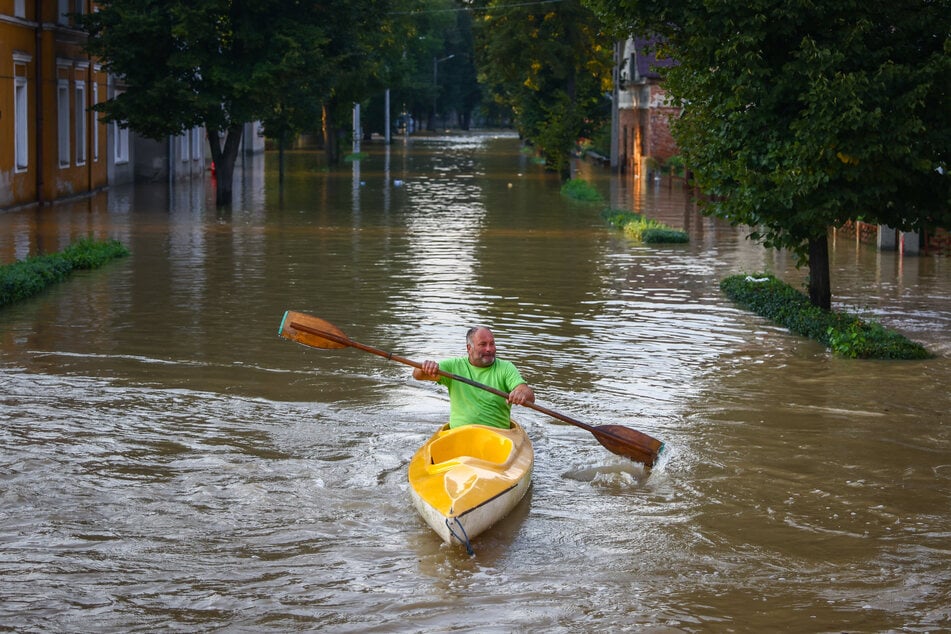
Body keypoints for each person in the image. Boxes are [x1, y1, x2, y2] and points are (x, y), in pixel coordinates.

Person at [412, 326, 535, 429]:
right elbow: (417, 375)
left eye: (492, 344)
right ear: (469, 348)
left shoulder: (506, 368)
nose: (489, 349)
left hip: (498, 438)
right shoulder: (454, 366)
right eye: (483, 344)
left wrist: (521, 394)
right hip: (459, 435)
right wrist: (425, 367)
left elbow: (528, 394)